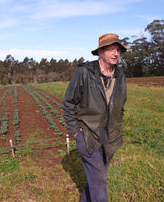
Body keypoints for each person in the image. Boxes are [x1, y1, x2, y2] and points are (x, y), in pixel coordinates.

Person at [63, 33, 130, 202]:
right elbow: (69, 102)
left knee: (95, 179)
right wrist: (76, 132)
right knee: (99, 181)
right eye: (110, 50)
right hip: (87, 135)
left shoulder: (120, 76)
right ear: (100, 52)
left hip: (111, 138)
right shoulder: (85, 72)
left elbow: (121, 106)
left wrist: (117, 127)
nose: (115, 54)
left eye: (118, 50)